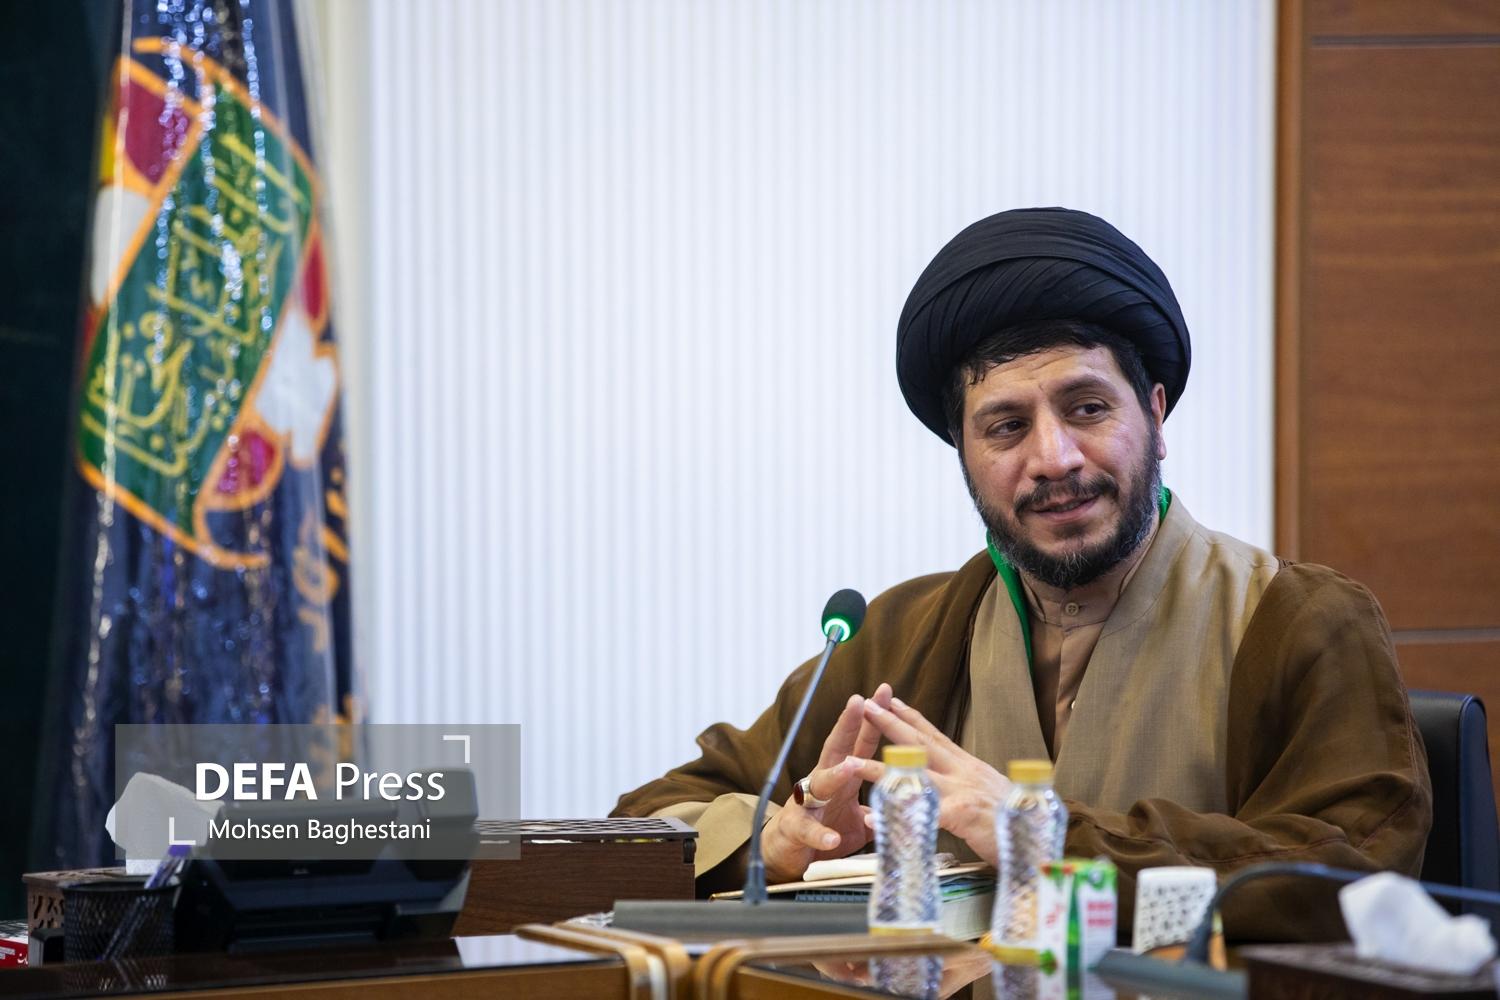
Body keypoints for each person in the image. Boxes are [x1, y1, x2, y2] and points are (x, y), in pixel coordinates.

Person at [613, 208, 1431, 940]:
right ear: (964, 458)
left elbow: (1357, 876)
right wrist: (781, 841)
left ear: (1155, 413)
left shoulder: (1298, 619)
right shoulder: (901, 634)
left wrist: (1036, 832)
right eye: (1005, 426)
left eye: (1087, 408)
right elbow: (646, 821)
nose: (1054, 458)